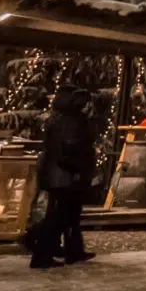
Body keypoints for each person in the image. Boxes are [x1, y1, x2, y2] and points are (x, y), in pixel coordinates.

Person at [27, 89, 96, 269]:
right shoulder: (72, 121)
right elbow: (70, 149)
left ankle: (72, 251)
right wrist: (77, 169)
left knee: (68, 215)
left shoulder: (59, 118)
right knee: (59, 216)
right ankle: (43, 255)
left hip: (59, 175)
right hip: (66, 176)